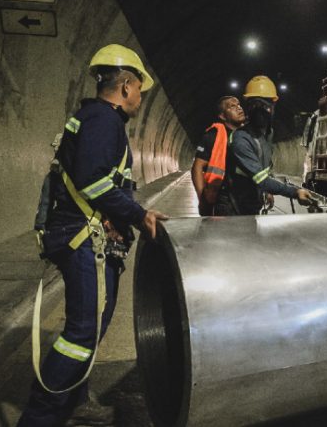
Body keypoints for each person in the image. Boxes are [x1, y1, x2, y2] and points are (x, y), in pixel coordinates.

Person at [19, 44, 169, 426]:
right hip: (83, 237)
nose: (139, 99)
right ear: (126, 85)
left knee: (92, 326)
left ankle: (72, 403)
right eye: (139, 91)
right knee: (81, 333)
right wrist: (139, 215)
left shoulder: (92, 116)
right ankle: (39, 417)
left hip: (81, 234)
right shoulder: (104, 121)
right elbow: (94, 182)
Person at [214, 75, 311, 216]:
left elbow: (264, 169)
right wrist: (295, 192)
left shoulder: (268, 134)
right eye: (254, 105)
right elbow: (261, 180)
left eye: (264, 105)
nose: (259, 110)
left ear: (273, 106)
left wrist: (267, 191)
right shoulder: (241, 139)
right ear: (247, 108)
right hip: (232, 208)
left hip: (250, 203)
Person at [191, 96, 246, 215]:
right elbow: (197, 167)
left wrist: (266, 191)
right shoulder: (213, 136)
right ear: (222, 116)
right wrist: (202, 199)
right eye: (232, 106)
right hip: (224, 200)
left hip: (247, 199)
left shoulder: (248, 135)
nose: (239, 108)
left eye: (239, 105)